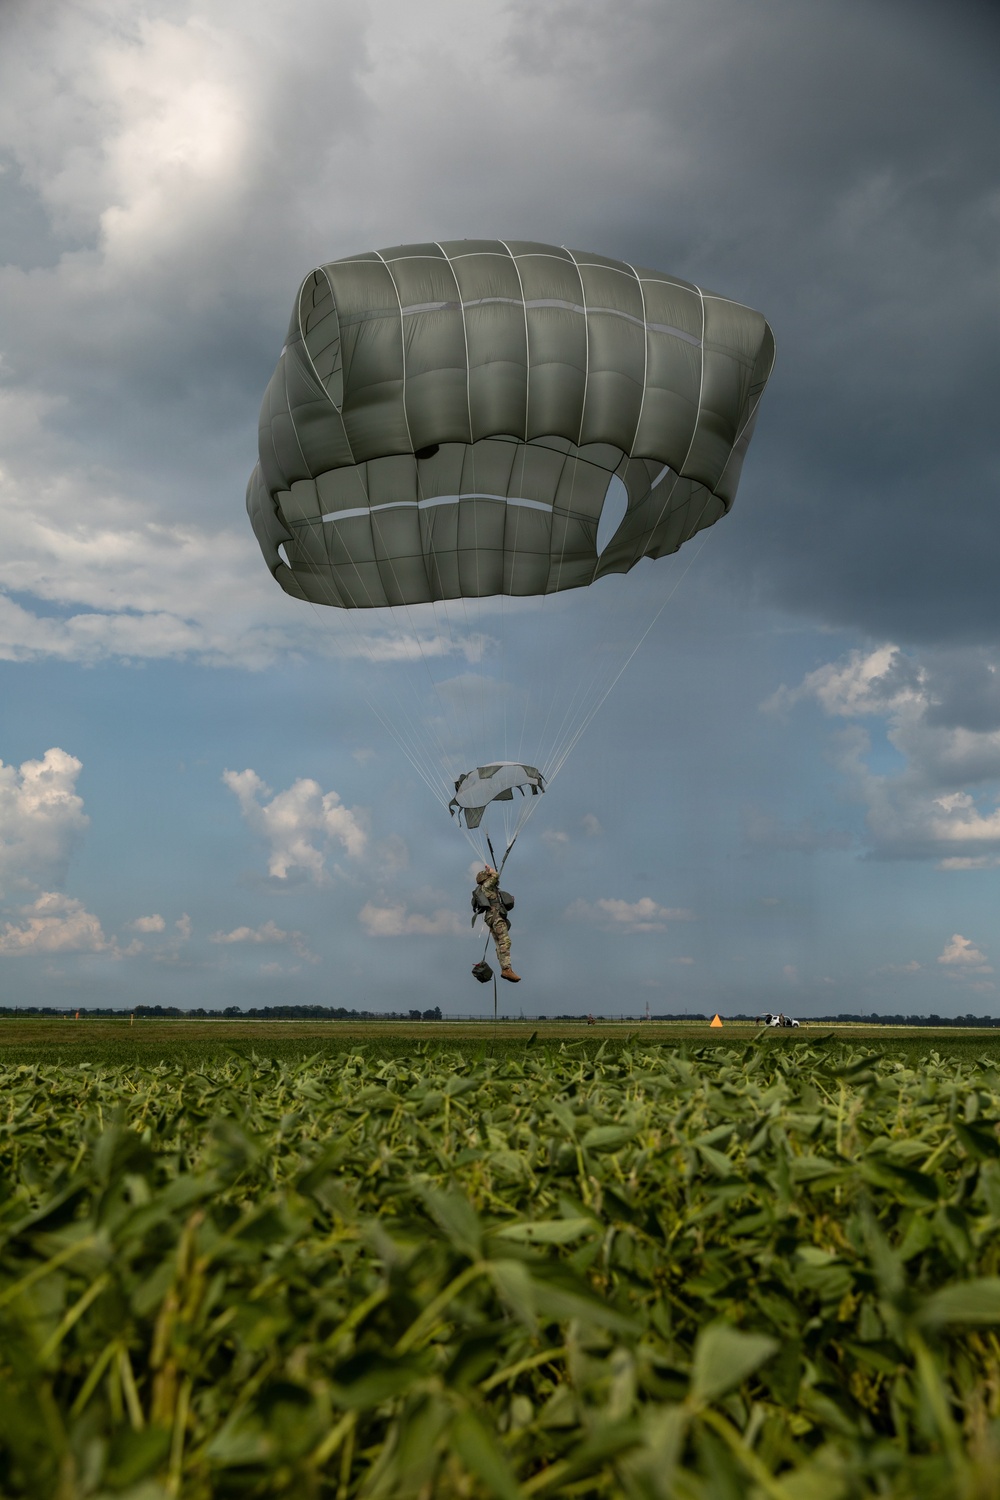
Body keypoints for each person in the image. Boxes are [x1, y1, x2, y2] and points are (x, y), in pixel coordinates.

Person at [472, 866, 520, 982]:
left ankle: (505, 968)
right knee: (505, 941)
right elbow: (495, 877)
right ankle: (506, 969)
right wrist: (492, 871)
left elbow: (496, 880)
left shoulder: (486, 889)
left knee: (500, 943)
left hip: (492, 917)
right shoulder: (486, 886)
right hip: (496, 917)